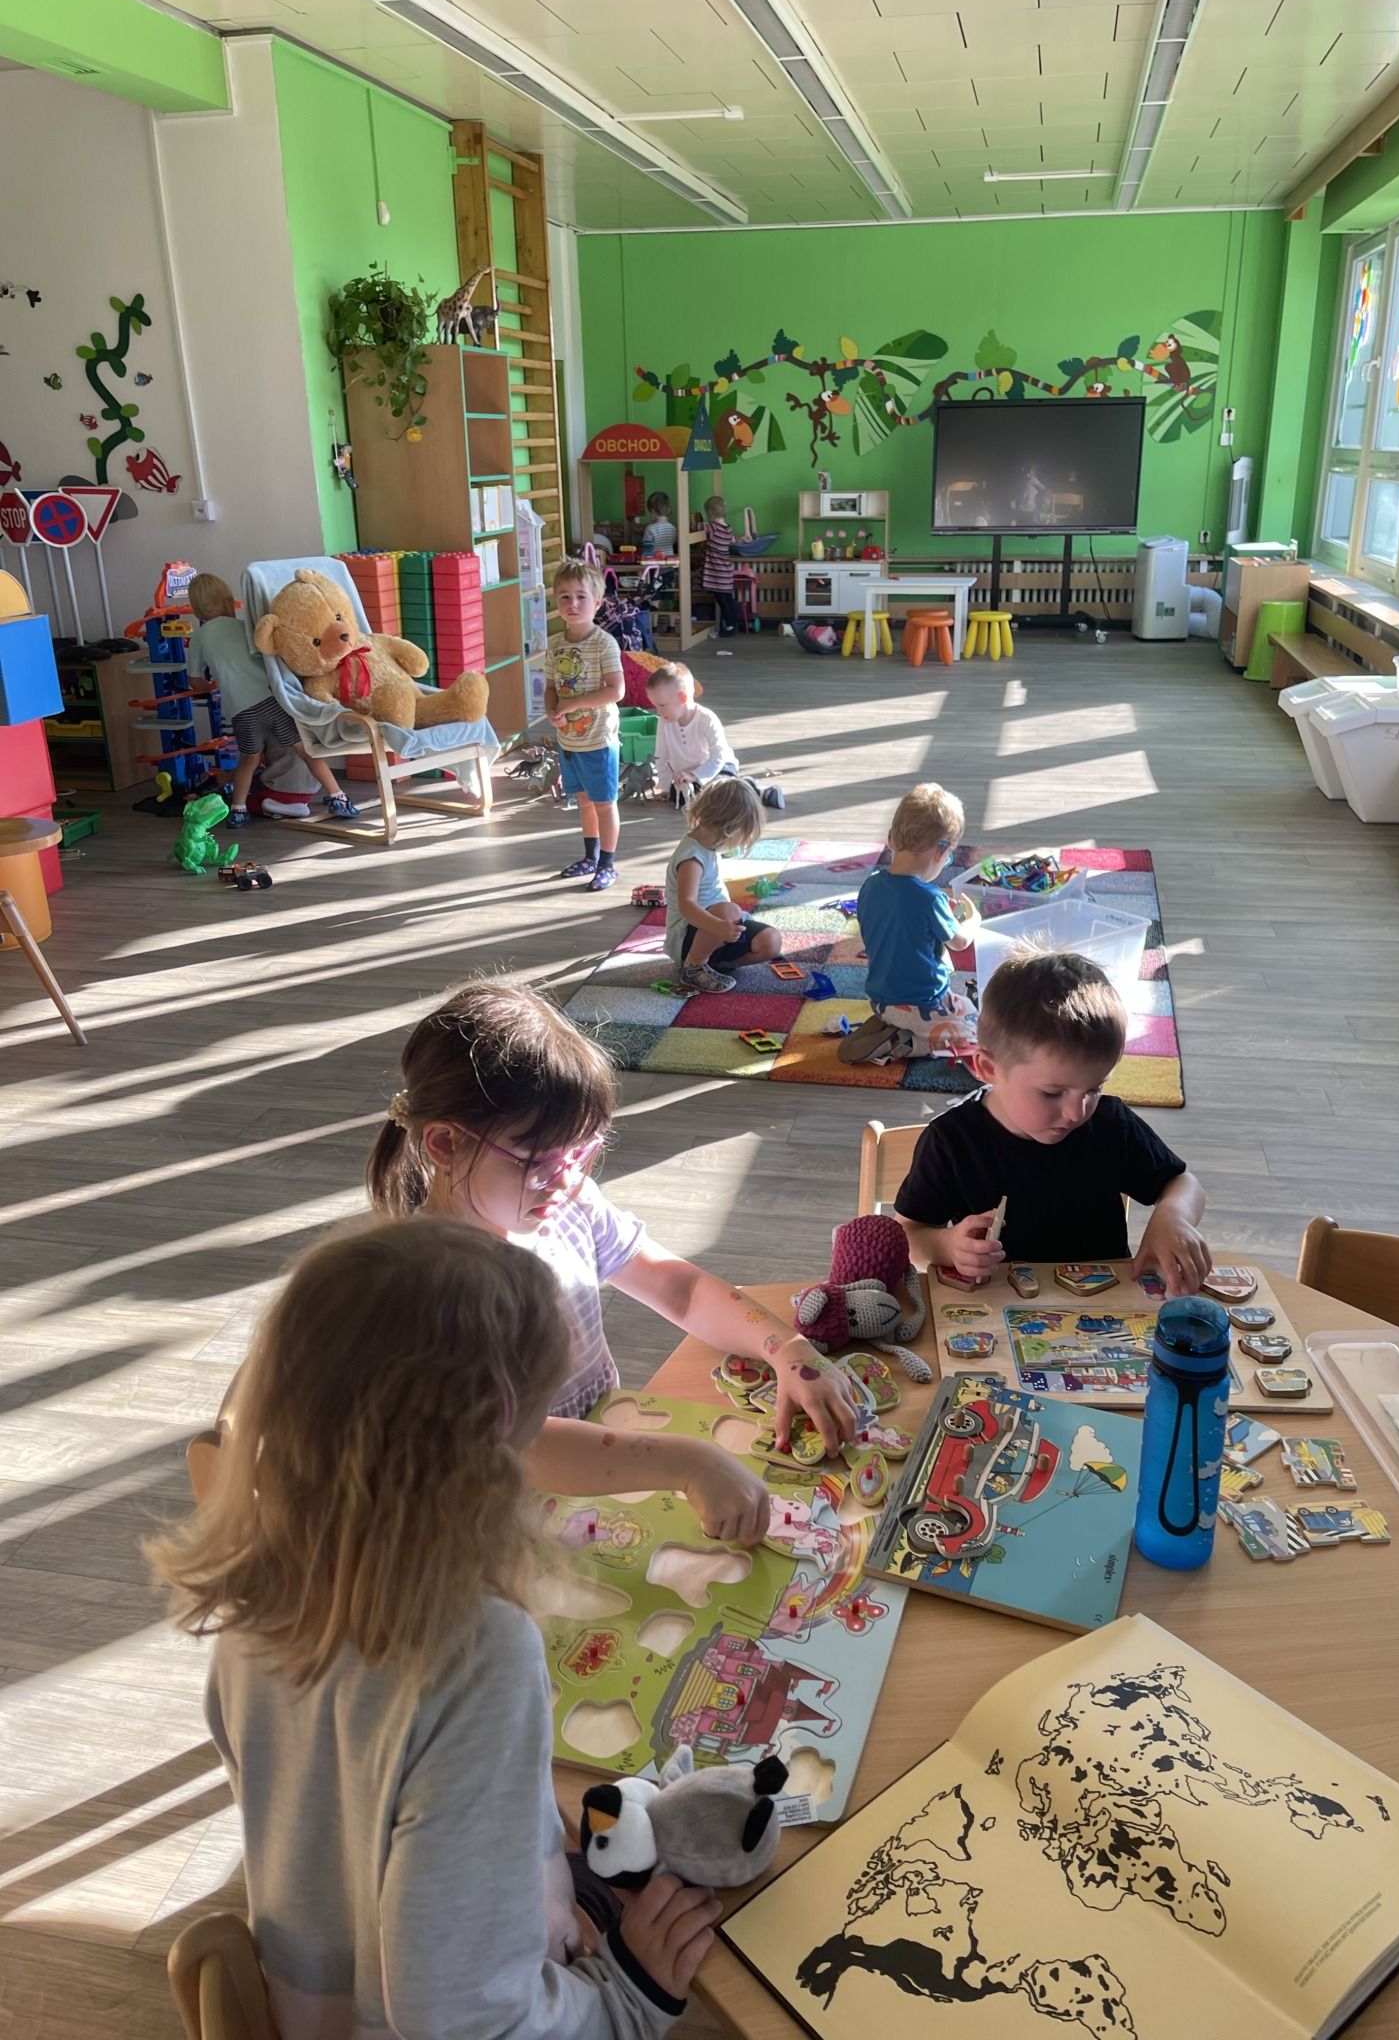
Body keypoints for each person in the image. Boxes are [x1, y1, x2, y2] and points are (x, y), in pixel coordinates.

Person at [150, 1218, 720, 2039]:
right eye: (533, 1435)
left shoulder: (261, 1594)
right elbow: (459, 2017)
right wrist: (625, 1999)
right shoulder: (478, 1655)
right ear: (494, 1436)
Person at [367, 979, 857, 1464]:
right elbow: (511, 1445)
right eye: (541, 1162)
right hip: (519, 1492)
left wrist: (788, 1349)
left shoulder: (570, 1207)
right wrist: (687, 1465)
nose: (567, 1180)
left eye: (580, 1153)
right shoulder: (423, 1293)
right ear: (446, 1144)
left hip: (607, 1455)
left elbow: (681, 1290)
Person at [893, 950, 1212, 1293]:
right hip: (995, 1308)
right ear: (988, 1069)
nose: (1077, 1112)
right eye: (1052, 1093)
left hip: (1104, 1305)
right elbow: (909, 1235)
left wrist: (1172, 1215)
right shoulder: (951, 1141)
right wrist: (948, 1246)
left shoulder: (1110, 1123)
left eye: (1094, 1088)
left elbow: (1182, 1182)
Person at [185, 571, 357, 825]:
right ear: (226, 602)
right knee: (305, 751)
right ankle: (338, 797)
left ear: (198, 609)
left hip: (241, 710)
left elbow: (195, 680)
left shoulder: (198, 638)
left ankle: (238, 810)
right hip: (270, 700)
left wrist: (212, 686)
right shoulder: (243, 627)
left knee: (249, 760)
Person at [841, 782, 978, 1066]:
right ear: (940, 852)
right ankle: (905, 1042)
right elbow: (960, 942)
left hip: (880, 998)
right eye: (949, 856)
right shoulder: (930, 898)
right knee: (974, 1029)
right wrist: (973, 920)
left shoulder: (871, 885)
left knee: (963, 1006)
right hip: (922, 1004)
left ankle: (889, 1023)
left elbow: (896, 923)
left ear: (891, 839)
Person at [663, 777, 782, 996]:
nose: (741, 842)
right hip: (689, 940)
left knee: (770, 942)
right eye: (743, 835)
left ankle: (718, 965)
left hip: (719, 931)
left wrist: (724, 927)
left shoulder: (709, 847)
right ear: (728, 827)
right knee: (729, 910)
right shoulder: (691, 858)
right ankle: (693, 968)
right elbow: (686, 906)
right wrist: (719, 926)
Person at [549, 557, 625, 892]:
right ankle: (590, 857)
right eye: (565, 596)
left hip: (598, 741)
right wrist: (552, 709)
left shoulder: (603, 643)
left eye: (581, 597)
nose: (573, 603)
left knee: (605, 804)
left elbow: (616, 690)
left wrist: (572, 704)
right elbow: (550, 687)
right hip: (569, 741)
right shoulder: (555, 644)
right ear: (556, 601)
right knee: (583, 801)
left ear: (597, 602)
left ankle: (607, 864)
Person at [646, 662, 787, 813]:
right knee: (681, 799)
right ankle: (730, 794)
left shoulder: (707, 719)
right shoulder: (664, 722)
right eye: (656, 706)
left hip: (718, 767)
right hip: (687, 775)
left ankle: (752, 789)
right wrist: (666, 786)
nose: (658, 711)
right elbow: (661, 757)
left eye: (662, 705)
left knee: (719, 788)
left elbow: (718, 756)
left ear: (682, 697)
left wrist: (695, 775)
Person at [700, 494, 740, 637]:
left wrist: (694, 523)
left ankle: (730, 626)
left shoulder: (713, 528)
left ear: (710, 513)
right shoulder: (728, 529)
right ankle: (732, 624)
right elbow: (733, 541)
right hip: (726, 570)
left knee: (722, 600)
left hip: (717, 572)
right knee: (727, 599)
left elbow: (698, 528)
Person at [639, 491, 676, 559]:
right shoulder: (673, 528)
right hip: (670, 561)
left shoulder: (650, 529)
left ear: (653, 511)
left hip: (656, 562)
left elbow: (647, 551)